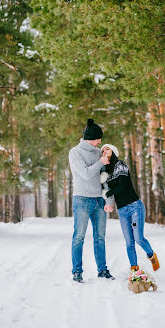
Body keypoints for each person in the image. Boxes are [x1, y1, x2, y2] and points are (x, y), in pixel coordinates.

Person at [100, 144, 160, 272]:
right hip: (122, 210)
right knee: (129, 242)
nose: (104, 151)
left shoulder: (120, 164)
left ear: (113, 151)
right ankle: (134, 268)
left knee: (138, 239)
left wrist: (108, 193)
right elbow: (104, 186)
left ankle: (151, 255)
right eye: (103, 150)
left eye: (107, 149)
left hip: (134, 206)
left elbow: (121, 186)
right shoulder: (105, 172)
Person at [69, 119, 115, 283]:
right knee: (79, 237)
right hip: (81, 199)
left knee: (100, 237)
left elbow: (105, 179)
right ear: (91, 138)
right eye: (98, 139)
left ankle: (102, 270)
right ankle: (77, 271)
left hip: (99, 201)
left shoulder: (98, 153)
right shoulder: (75, 153)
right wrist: (100, 162)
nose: (100, 142)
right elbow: (86, 173)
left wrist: (109, 200)